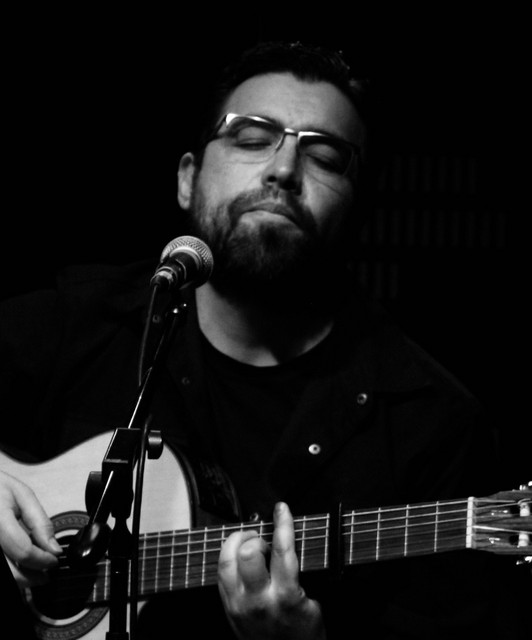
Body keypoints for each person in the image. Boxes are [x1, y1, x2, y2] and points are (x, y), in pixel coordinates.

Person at [0, 40, 529, 640]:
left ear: (357, 209)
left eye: (325, 156)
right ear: (188, 179)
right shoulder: (74, 323)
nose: (283, 170)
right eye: (252, 138)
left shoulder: (435, 427)